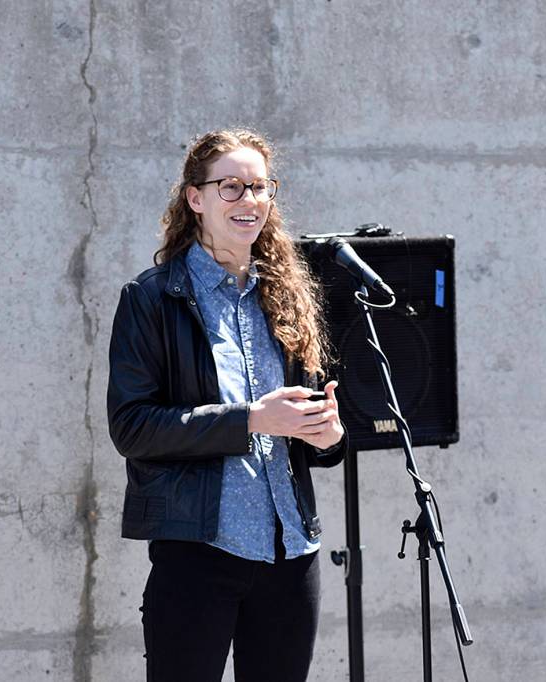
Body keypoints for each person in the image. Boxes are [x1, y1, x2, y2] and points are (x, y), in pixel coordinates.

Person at [107, 128, 347, 682]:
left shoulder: (287, 295)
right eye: (231, 186)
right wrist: (252, 419)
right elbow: (132, 427)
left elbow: (317, 430)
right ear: (195, 198)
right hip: (199, 552)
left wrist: (328, 435)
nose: (249, 200)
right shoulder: (151, 298)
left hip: (291, 553)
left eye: (260, 187)